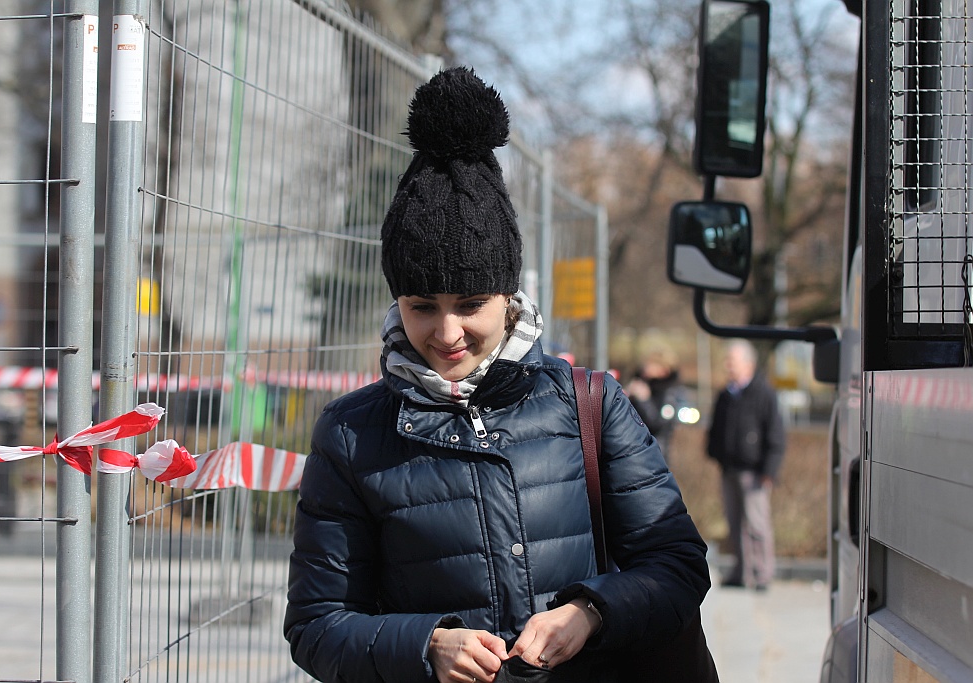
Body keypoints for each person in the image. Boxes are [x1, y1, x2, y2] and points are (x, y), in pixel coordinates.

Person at [284, 66, 713, 683]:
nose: (447, 332)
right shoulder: (351, 434)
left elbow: (676, 564)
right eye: (422, 306)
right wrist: (426, 646)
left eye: (470, 304)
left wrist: (591, 611)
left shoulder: (588, 403)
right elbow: (317, 626)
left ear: (508, 298)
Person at [706, 339, 786, 591]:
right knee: (734, 523)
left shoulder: (764, 393)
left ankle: (761, 574)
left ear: (748, 364)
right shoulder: (725, 395)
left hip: (754, 472)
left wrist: (769, 471)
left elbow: (775, 434)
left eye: (733, 361)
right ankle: (740, 572)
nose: (728, 366)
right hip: (729, 469)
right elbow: (715, 430)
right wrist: (715, 454)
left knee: (756, 524)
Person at [623, 348, 687, 458]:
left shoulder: (669, 393)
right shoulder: (643, 384)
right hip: (631, 451)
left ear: (664, 370)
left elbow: (658, 424)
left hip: (654, 456)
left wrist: (644, 400)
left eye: (652, 364)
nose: (646, 367)